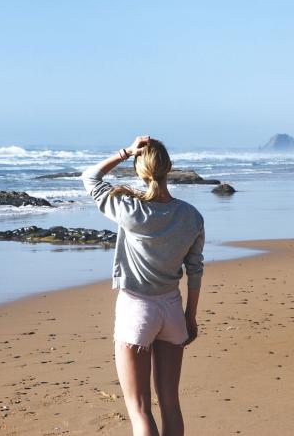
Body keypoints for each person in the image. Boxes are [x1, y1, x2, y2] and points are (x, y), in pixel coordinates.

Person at [81, 135, 204, 436]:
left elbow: (90, 177)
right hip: (173, 311)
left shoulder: (130, 209)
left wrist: (126, 151)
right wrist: (190, 316)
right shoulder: (191, 216)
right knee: (171, 404)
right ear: (169, 167)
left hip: (137, 309)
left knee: (139, 410)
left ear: (140, 170)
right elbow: (195, 270)